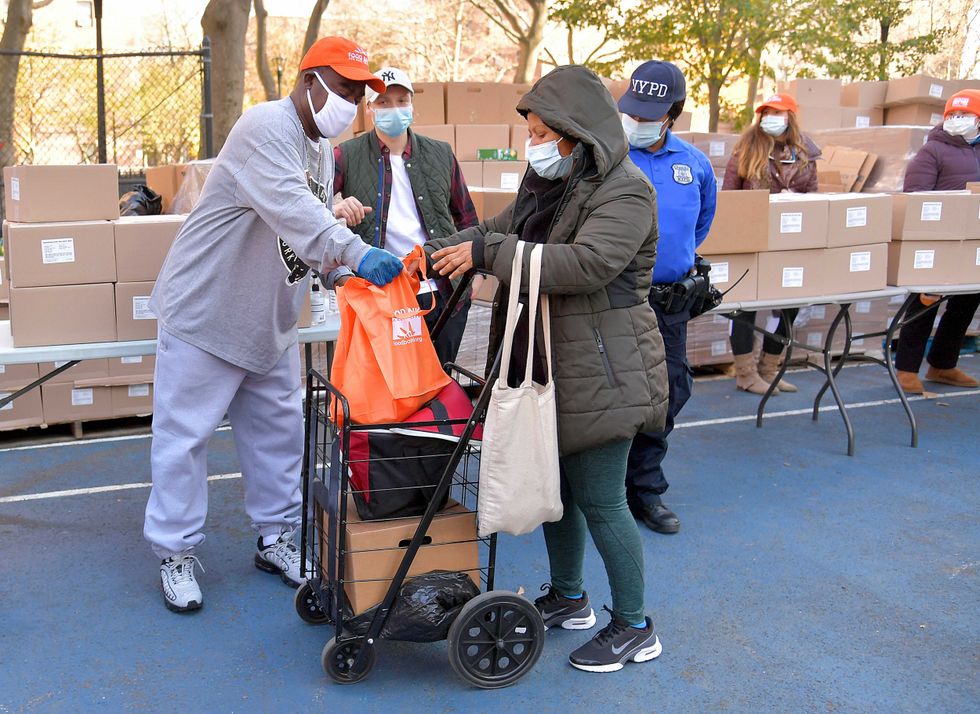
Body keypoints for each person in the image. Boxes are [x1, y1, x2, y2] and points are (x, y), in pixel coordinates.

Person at [145, 37, 404, 613]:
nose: (350, 102)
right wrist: (356, 253)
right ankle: (175, 551)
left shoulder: (317, 150)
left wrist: (339, 273)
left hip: (268, 318)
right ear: (308, 80)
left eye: (358, 94)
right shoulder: (266, 126)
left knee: (280, 439)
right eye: (342, 88)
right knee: (183, 440)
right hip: (208, 314)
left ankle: (277, 538)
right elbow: (295, 211)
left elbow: (297, 235)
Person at [426, 65, 669, 673]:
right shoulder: (548, 185)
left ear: (573, 132)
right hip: (555, 364)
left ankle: (636, 626)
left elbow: (587, 264)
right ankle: (568, 596)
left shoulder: (627, 191)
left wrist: (489, 253)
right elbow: (494, 231)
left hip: (606, 367)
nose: (532, 143)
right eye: (529, 132)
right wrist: (434, 254)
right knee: (559, 491)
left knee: (603, 497)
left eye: (540, 132)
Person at [619, 61, 716, 535]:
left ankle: (645, 488)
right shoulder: (609, 157)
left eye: (648, 114)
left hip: (668, 302)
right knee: (612, 393)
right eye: (632, 112)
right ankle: (606, 487)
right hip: (616, 299)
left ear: (673, 113)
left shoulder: (694, 164)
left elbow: (699, 227)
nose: (636, 122)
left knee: (670, 390)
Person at [332, 67, 480, 364]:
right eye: (384, 103)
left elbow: (467, 219)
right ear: (369, 108)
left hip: (443, 292)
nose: (394, 109)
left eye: (402, 101)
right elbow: (310, 210)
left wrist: (473, 277)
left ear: (412, 105)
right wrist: (335, 210)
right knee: (391, 388)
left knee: (440, 385)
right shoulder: (346, 155)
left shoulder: (440, 154)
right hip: (381, 296)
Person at [723, 93, 821, 394]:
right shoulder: (746, 150)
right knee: (745, 308)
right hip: (751, 240)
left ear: (791, 116)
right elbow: (729, 197)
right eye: (765, 112)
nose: (770, 118)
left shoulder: (805, 153)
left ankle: (769, 368)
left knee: (789, 307)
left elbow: (815, 198)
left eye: (777, 113)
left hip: (790, 240)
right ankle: (746, 373)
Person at [895, 89, 980, 394]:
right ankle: (906, 369)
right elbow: (915, 195)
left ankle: (943, 364)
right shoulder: (932, 151)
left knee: (967, 301)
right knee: (925, 300)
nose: (958, 121)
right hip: (934, 239)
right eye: (953, 116)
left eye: (965, 115)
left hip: (972, 240)